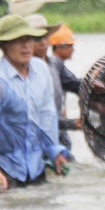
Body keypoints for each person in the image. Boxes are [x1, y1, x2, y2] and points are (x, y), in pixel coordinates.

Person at [0, 15, 68, 191]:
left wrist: (54, 151)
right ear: (4, 46)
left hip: (35, 165)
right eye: (18, 41)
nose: (26, 46)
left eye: (28, 39)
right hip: (4, 167)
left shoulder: (41, 69)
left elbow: (46, 115)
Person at [32, 17, 80, 154]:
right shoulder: (25, 72)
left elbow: (77, 85)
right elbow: (38, 117)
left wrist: (94, 83)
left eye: (45, 37)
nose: (42, 42)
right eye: (36, 38)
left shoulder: (55, 64)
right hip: (39, 141)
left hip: (59, 136)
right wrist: (71, 124)